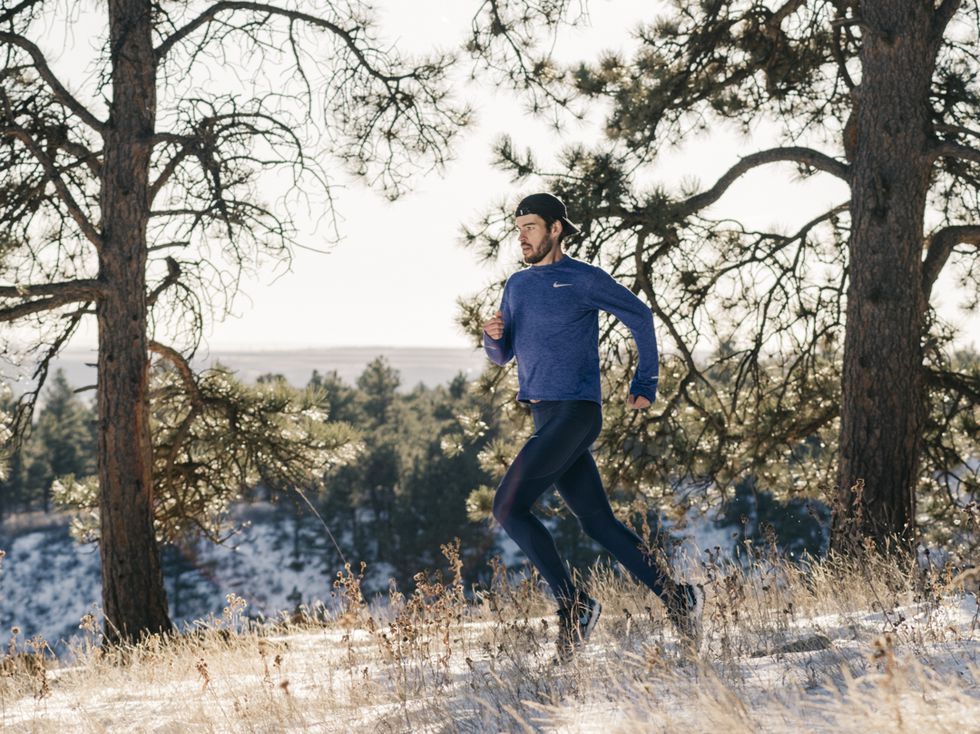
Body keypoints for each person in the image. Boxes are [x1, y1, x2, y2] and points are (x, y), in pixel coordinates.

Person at [482, 192, 704, 661]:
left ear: (556, 229)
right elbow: (504, 356)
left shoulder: (584, 279)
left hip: (576, 412)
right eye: (518, 227)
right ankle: (679, 598)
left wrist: (646, 380)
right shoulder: (518, 286)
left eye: (531, 227)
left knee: (508, 506)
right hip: (544, 412)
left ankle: (575, 604)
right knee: (598, 522)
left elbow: (639, 316)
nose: (521, 236)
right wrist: (492, 337)